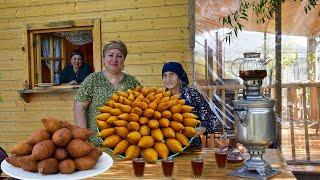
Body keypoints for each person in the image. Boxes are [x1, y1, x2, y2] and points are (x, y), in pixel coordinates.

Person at [73, 41, 141, 146]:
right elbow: (79, 106)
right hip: (96, 144)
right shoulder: (93, 79)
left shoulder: (132, 82)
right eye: (110, 55)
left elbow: (141, 108)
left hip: (125, 144)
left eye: (119, 56)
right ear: (104, 59)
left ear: (123, 60)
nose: (114, 59)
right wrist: (84, 136)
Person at [162, 61, 222, 148]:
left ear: (179, 77)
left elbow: (214, 120)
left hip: (192, 147)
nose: (168, 79)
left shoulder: (192, 94)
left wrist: (203, 128)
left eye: (172, 74)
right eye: (165, 75)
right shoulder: (161, 99)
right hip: (168, 149)